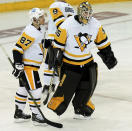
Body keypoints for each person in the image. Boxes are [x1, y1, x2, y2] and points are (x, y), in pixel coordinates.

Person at [47, 1, 117, 119]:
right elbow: (58, 45)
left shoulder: (96, 24)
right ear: (79, 12)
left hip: (87, 62)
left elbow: (103, 42)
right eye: (85, 12)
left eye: (89, 13)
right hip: (70, 64)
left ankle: (80, 108)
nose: (87, 15)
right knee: (66, 90)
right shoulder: (66, 24)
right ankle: (57, 108)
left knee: (88, 87)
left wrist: (109, 56)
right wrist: (56, 60)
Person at [12, 8, 51, 125]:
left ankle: (18, 113)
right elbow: (17, 48)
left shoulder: (39, 29)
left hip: (32, 66)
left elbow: (39, 43)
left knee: (23, 89)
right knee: (37, 90)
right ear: (34, 19)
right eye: (41, 17)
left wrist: (49, 43)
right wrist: (18, 64)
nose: (44, 18)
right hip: (28, 67)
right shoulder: (30, 31)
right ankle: (36, 116)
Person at [43, 0, 75, 100]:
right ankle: (53, 85)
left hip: (54, 38)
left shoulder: (55, 5)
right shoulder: (71, 7)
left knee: (49, 63)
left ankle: (47, 85)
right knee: (58, 64)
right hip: (65, 40)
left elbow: (59, 23)